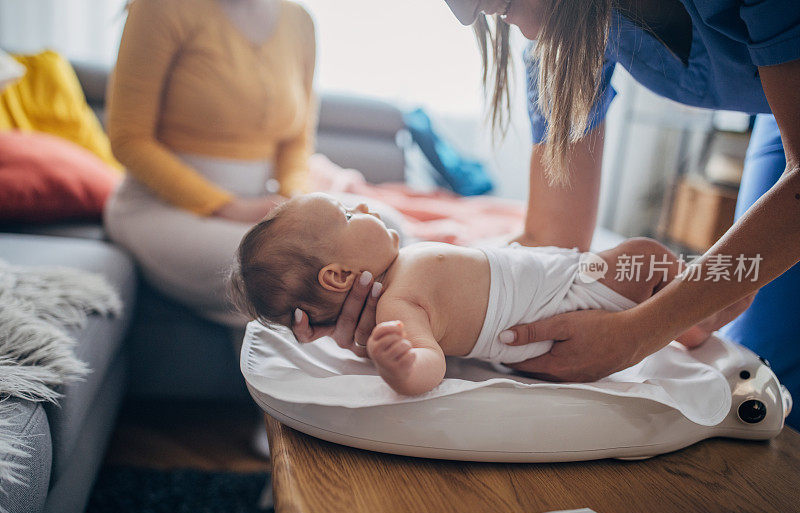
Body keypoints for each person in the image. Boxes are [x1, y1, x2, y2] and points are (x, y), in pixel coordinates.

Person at [433, 0, 800, 427]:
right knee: (764, 365)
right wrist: (442, 295)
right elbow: (550, 239)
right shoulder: (560, 36)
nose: (462, 12)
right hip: (780, 113)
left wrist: (638, 333)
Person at [229, 193, 752, 395]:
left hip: (549, 277)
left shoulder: (401, 269)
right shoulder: (396, 307)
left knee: (644, 264)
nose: (363, 206)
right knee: (645, 256)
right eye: (347, 215)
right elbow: (427, 364)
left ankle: (686, 318)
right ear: (339, 278)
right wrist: (399, 364)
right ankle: (703, 314)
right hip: (558, 299)